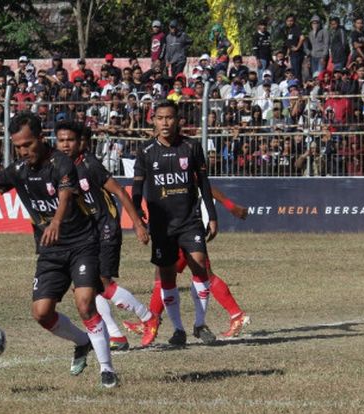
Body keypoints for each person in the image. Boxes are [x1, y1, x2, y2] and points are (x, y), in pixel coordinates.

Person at [0, 113, 119, 388]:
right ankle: (82, 341)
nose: (23, 151)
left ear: (41, 138)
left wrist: (57, 222)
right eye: (18, 147)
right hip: (50, 250)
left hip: (82, 243)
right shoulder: (18, 170)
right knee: (41, 313)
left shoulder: (61, 163)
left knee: (85, 302)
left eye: (27, 144)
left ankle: (107, 370)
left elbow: (64, 196)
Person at [54, 121, 160, 350]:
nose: (65, 146)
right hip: (87, 233)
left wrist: (138, 224)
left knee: (100, 283)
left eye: (70, 141)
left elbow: (120, 191)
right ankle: (116, 336)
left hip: (106, 229)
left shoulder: (90, 165)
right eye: (61, 141)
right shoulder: (61, 167)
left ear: (81, 143)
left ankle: (147, 317)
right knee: (85, 287)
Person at [131, 100, 217, 346]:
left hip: (189, 219)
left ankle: (200, 325)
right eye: (160, 118)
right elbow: (137, 185)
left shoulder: (191, 146)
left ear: (178, 120)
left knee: (199, 264)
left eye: (169, 117)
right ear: (153, 120)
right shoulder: (146, 150)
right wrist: (137, 212)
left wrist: (211, 215)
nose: (165, 122)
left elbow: (203, 182)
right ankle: (178, 329)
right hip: (161, 224)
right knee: (167, 276)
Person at [124, 188, 251, 342]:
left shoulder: (184, 166)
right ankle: (236, 315)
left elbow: (207, 186)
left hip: (186, 226)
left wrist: (230, 206)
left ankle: (152, 321)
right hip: (183, 225)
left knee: (168, 274)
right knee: (197, 274)